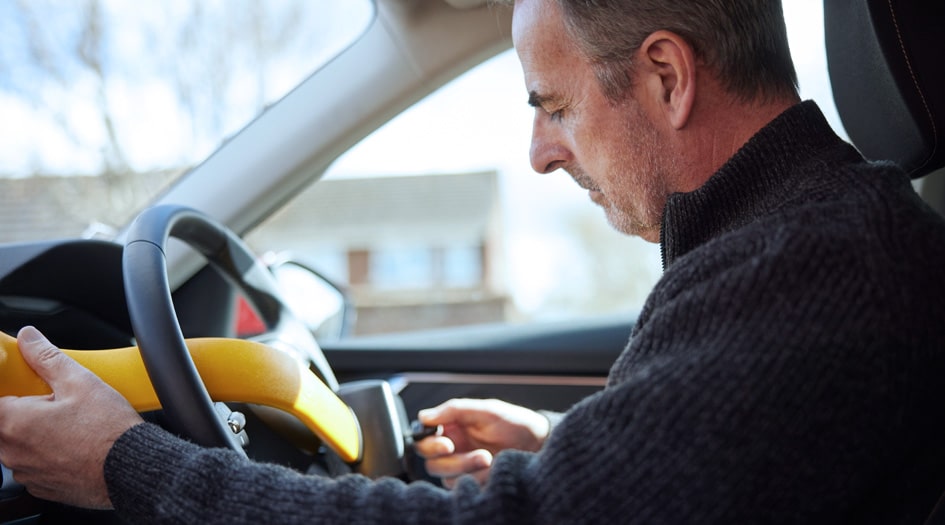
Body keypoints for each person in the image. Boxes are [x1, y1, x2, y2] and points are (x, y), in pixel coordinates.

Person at [2, 0, 945, 522]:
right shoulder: (796, 244)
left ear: (665, 75)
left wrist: (123, 463)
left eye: (555, 106)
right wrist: (569, 442)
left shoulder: (813, 267)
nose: (541, 151)